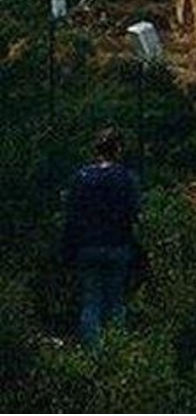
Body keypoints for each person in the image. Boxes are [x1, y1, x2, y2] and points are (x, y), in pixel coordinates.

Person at [62, 128, 141, 347]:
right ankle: (117, 355)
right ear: (118, 149)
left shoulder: (82, 176)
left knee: (90, 302)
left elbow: (72, 215)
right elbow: (135, 212)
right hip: (118, 245)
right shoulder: (127, 177)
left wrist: (68, 248)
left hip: (87, 246)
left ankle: (92, 356)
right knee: (116, 301)